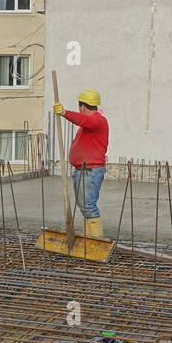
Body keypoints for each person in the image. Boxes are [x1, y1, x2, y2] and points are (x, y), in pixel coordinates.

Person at [53, 88, 110, 239]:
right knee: (84, 206)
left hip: (90, 171)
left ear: (82, 106)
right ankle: (89, 238)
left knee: (88, 206)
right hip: (82, 170)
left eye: (80, 107)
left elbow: (84, 120)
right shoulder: (88, 125)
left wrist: (65, 113)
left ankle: (96, 240)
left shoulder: (98, 120)